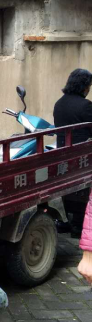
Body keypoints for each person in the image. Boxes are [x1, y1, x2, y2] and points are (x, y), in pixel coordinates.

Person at [54, 69, 92, 236]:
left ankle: (68, 221)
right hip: (81, 155)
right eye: (89, 86)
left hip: (62, 154)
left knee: (67, 189)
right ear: (84, 87)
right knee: (82, 188)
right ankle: (78, 224)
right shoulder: (86, 106)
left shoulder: (59, 103)